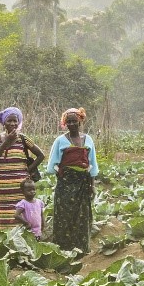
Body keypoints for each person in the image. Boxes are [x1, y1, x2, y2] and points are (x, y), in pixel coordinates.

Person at [46, 107, 98, 253]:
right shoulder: (60, 141)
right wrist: (63, 175)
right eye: (68, 122)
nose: (71, 124)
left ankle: (81, 249)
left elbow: (92, 165)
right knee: (64, 215)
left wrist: (91, 185)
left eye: (74, 121)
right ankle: (63, 249)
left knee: (82, 216)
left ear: (80, 121)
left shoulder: (88, 140)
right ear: (65, 123)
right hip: (65, 185)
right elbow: (52, 166)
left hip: (83, 184)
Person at [0, 106, 45, 229]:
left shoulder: (23, 139)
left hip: (20, 187)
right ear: (4, 123)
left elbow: (41, 155)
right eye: (9, 121)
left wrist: (27, 171)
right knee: (4, 217)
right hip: (3, 188)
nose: (13, 124)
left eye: (15, 121)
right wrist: (6, 142)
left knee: (20, 214)